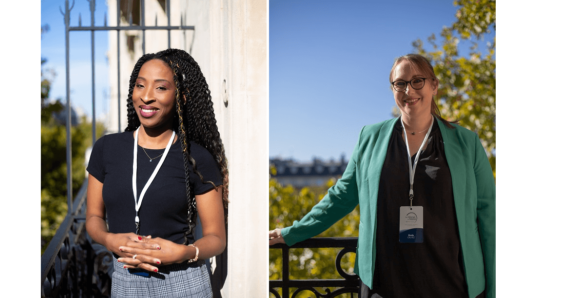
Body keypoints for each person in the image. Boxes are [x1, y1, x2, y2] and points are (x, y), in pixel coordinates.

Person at [269, 54, 495, 298]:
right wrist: (293, 232)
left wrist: (495, 289)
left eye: (417, 81)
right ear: (393, 89)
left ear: (434, 85)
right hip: (385, 285)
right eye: (400, 83)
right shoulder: (370, 138)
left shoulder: (467, 143)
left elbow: (488, 215)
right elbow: (341, 196)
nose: (409, 90)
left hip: (452, 284)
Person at [86, 48, 228, 298]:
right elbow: (94, 218)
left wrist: (185, 252)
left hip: (184, 282)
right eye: (140, 85)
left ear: (181, 98)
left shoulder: (196, 158)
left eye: (161, 88)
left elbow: (216, 237)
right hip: (125, 281)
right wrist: (110, 241)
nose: (147, 96)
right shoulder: (106, 149)